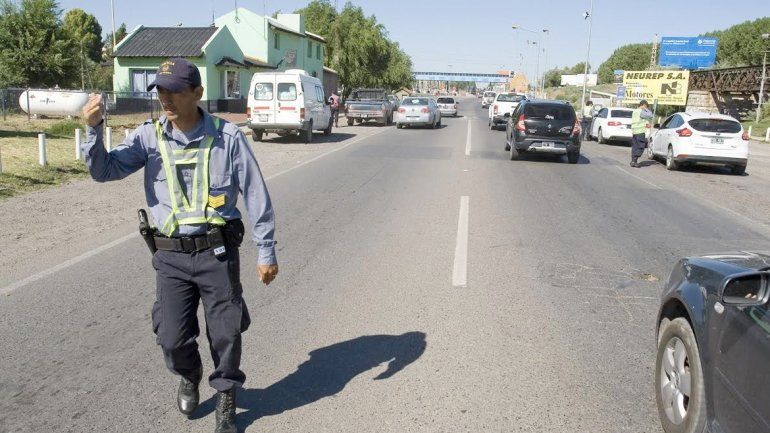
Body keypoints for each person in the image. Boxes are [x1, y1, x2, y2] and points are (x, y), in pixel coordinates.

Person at [81, 58, 279, 433]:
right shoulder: (148, 137)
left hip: (217, 253)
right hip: (170, 256)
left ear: (197, 93)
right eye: (160, 90)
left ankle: (225, 394)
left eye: (174, 90)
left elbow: (256, 196)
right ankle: (189, 374)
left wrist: (265, 251)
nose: (165, 98)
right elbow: (104, 171)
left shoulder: (228, 137)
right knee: (171, 337)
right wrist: (94, 130)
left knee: (225, 332)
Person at [630, 99, 653, 168]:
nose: (646, 108)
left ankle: (633, 161)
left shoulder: (635, 111)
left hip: (635, 132)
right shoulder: (641, 112)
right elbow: (650, 115)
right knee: (641, 147)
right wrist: (646, 109)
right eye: (646, 106)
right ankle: (634, 160)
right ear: (644, 105)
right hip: (640, 132)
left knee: (635, 147)